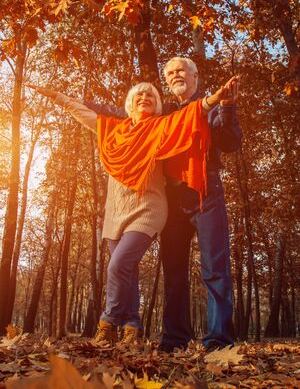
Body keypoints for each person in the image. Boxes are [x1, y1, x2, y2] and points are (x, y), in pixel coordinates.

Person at [28, 80, 232, 346]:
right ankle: (132, 326)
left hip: (148, 208)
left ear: (157, 103)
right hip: (116, 211)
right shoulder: (113, 129)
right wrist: (57, 95)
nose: (144, 97)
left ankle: (108, 320)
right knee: (128, 270)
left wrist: (214, 99)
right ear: (129, 103)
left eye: (151, 95)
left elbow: (190, 115)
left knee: (118, 264)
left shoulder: (161, 126)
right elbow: (83, 112)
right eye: (139, 94)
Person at [83, 61, 241, 352]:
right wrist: (81, 101)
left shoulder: (214, 104)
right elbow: (124, 114)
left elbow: (230, 143)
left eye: (182, 70)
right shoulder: (164, 112)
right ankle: (173, 340)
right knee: (174, 271)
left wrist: (228, 107)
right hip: (173, 197)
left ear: (195, 76)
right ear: (167, 82)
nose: (176, 75)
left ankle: (219, 341)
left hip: (206, 191)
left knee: (215, 269)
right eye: (170, 73)